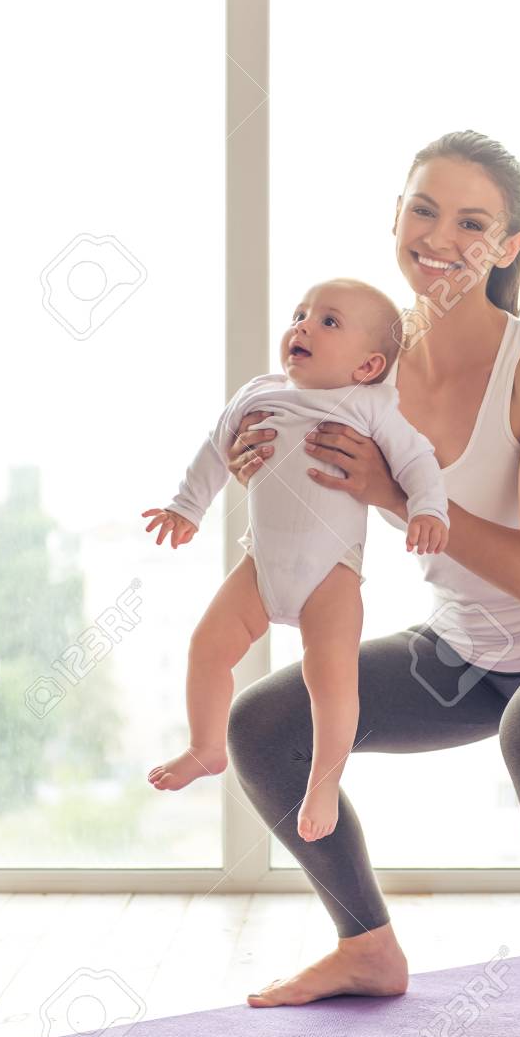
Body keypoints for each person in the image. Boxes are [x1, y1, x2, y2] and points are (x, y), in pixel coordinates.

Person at [225, 131, 520, 1037]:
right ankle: (367, 948)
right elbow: (304, 484)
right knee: (265, 723)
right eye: (423, 209)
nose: (439, 237)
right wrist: (259, 469)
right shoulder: (363, 365)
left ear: (508, 247)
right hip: (464, 654)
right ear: (394, 217)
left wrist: (395, 496)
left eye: (472, 223)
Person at [141, 277, 449, 842]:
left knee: (329, 680)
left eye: (329, 321)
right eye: (301, 314)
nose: (303, 325)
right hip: (260, 566)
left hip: (331, 574)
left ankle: (324, 779)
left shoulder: (369, 405)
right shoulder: (259, 392)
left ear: (367, 365)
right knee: (207, 648)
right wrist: (187, 507)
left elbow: (417, 460)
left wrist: (430, 510)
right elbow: (215, 449)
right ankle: (207, 747)